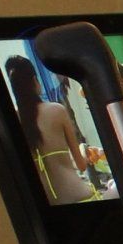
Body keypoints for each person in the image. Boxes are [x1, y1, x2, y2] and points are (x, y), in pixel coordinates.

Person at [5, 55, 96, 206]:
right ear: (35, 80)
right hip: (75, 195)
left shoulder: (12, 119)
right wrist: (84, 151)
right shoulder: (57, 110)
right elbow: (81, 165)